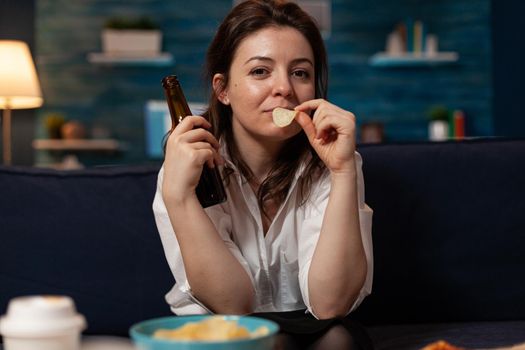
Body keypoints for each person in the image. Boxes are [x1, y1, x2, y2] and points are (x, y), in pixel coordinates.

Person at [153, 0, 374, 349]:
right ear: (223, 89)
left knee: (337, 340)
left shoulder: (335, 159)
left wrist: (344, 171)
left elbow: (331, 304)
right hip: (222, 331)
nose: (284, 88)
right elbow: (233, 306)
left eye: (300, 72)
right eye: (260, 71)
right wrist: (179, 198)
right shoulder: (188, 167)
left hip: (317, 329)